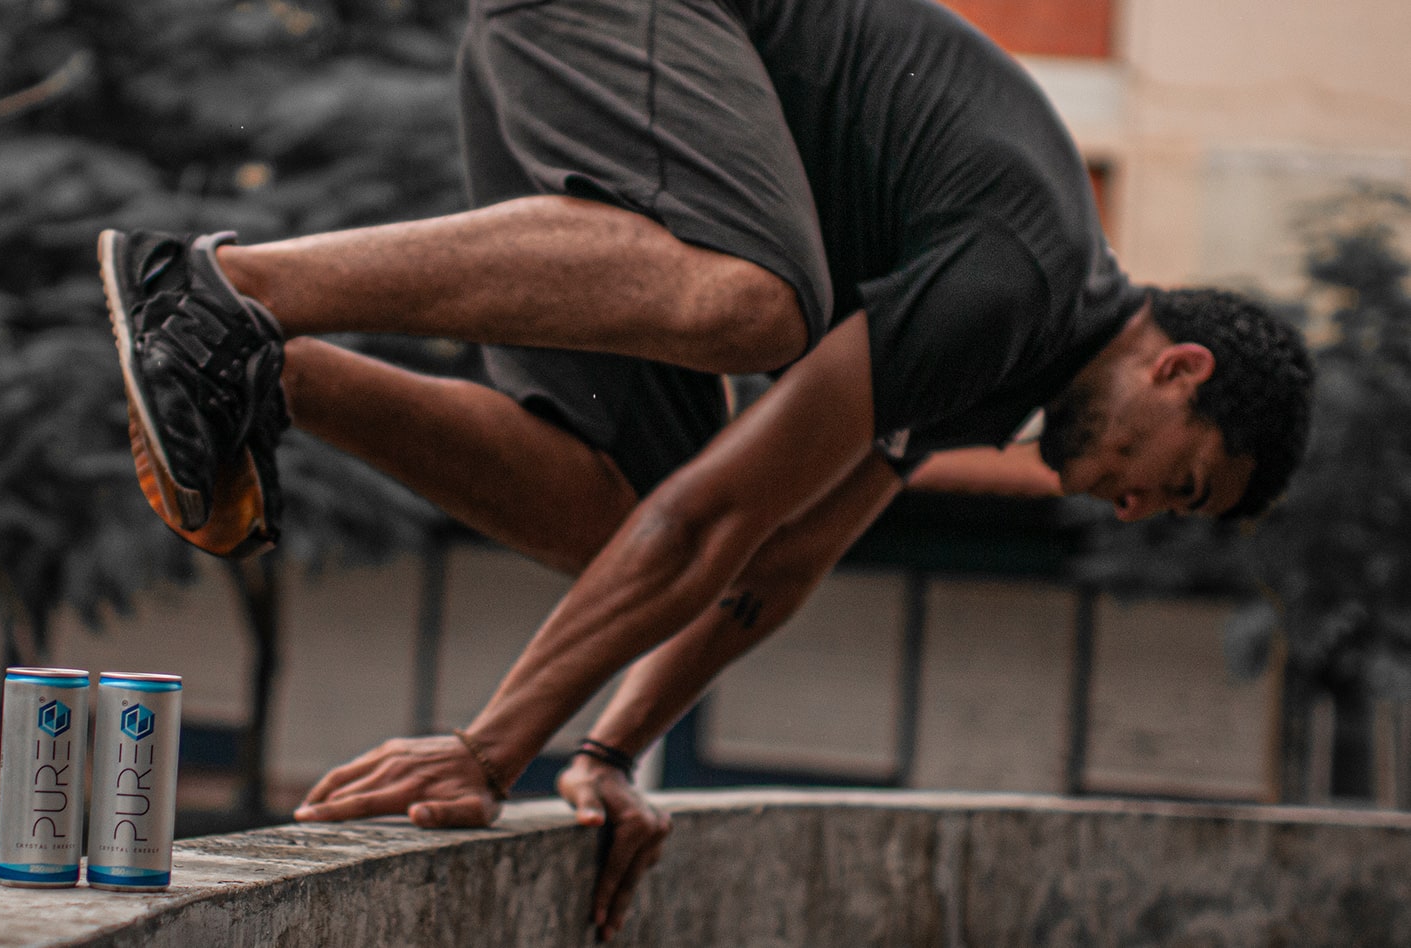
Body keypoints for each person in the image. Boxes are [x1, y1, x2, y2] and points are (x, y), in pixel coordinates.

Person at [97, 0, 1314, 938]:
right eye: (1181, 481)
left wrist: (606, 754)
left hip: (609, 67)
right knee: (752, 303)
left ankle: (274, 373)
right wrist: (489, 749)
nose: (1139, 505)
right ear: (1180, 371)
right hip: (633, 26)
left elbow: (771, 562)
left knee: (605, 518)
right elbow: (714, 516)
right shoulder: (1016, 281)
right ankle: (229, 291)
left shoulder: (1008, 362)